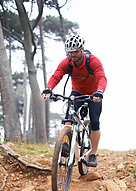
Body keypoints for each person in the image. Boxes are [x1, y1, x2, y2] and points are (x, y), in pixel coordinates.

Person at [42, 35, 107, 167]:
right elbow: (57, 75)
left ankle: (93, 154)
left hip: (94, 94)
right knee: (68, 119)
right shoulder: (67, 62)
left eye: (75, 51)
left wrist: (99, 91)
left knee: (95, 121)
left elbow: (102, 78)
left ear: (82, 49)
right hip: (77, 92)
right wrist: (49, 88)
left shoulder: (93, 61)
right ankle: (65, 143)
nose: (73, 55)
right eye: (70, 52)